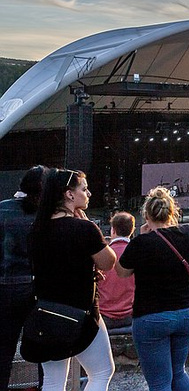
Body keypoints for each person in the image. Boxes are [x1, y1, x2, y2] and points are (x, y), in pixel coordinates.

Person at [27, 169, 116, 391]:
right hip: (81, 312)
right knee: (102, 372)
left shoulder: (36, 229)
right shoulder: (84, 228)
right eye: (84, 189)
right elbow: (108, 262)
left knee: (53, 381)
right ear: (69, 194)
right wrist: (91, 232)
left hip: (46, 313)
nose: (89, 193)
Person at [115, 187, 189, 391]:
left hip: (151, 316)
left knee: (160, 382)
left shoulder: (141, 243)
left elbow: (121, 272)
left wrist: (142, 235)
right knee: (178, 372)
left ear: (146, 215)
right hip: (186, 312)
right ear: (171, 212)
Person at [0, 166, 44, 390]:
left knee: (3, 352)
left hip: (5, 290)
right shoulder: (46, 214)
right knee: (42, 351)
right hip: (39, 290)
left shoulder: (2, 210)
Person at [99, 212, 136, 331]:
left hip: (105, 317)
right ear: (132, 230)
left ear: (113, 230)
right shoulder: (138, 253)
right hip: (131, 316)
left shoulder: (102, 255)